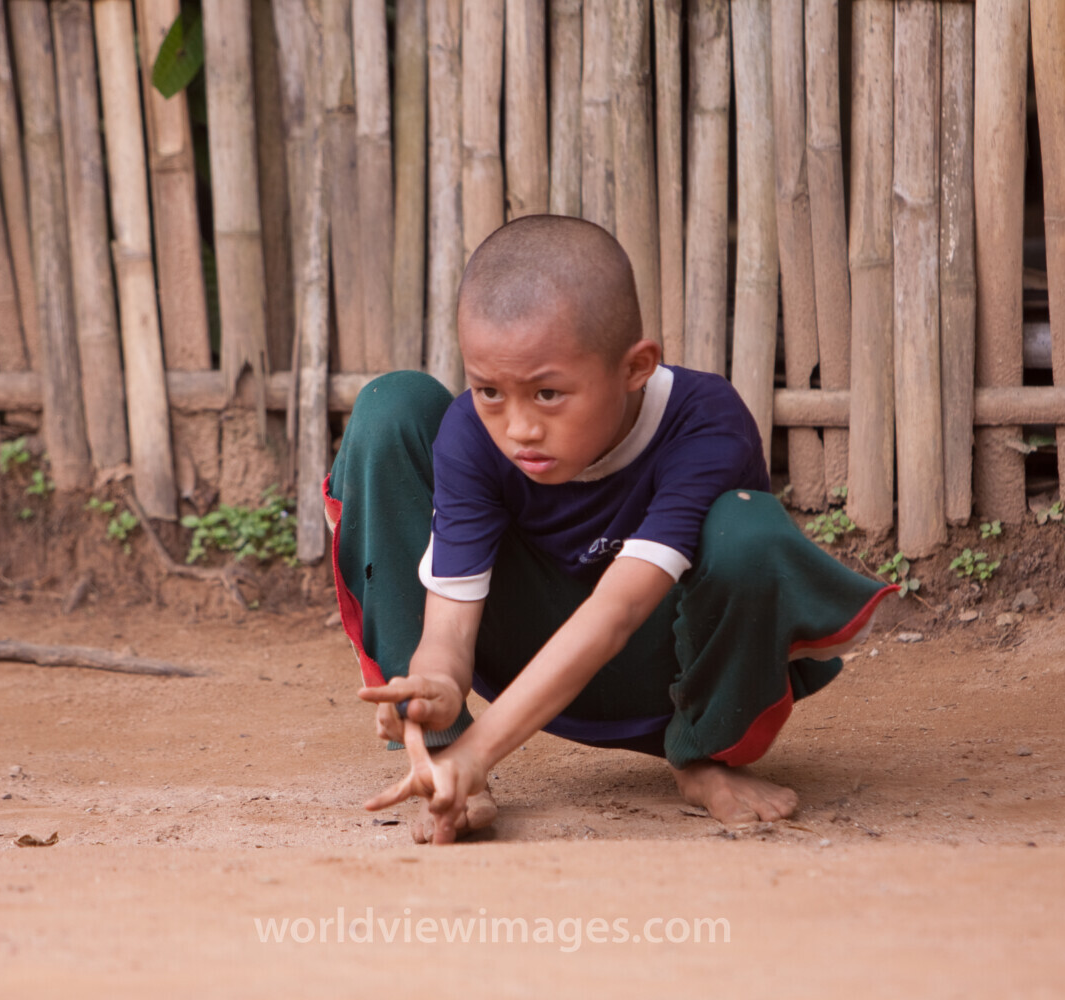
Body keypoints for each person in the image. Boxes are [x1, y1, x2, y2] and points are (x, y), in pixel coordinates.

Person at [324, 215, 894, 845]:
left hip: (667, 668)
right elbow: (450, 626)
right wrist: (437, 684)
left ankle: (704, 756)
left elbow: (618, 613)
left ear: (636, 367)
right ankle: (443, 768)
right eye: (489, 390)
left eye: (547, 394)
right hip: (525, 655)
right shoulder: (471, 436)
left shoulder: (704, 423)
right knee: (391, 404)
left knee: (747, 529)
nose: (518, 428)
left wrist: (484, 748)